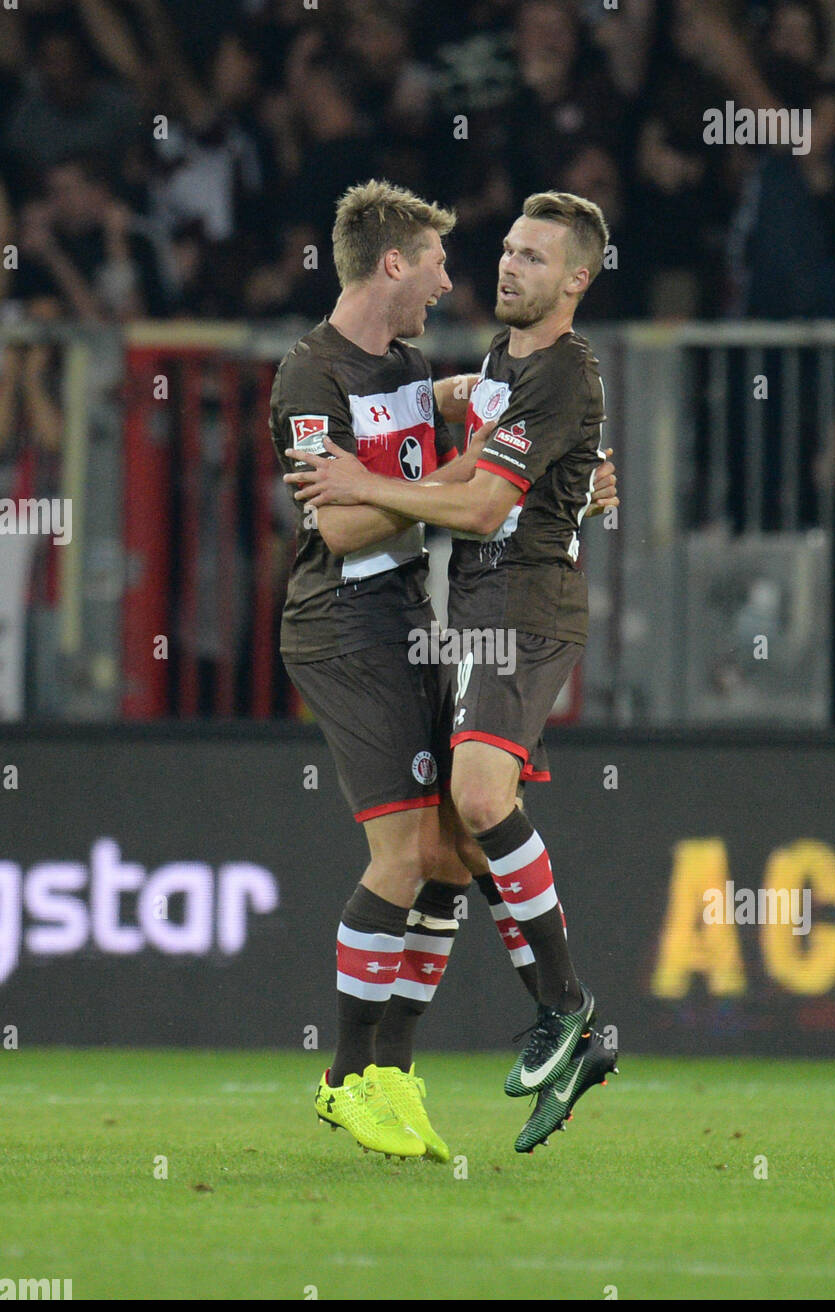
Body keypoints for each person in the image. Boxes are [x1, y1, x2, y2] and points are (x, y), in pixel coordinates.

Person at [286, 191, 618, 1153]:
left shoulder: (495, 371)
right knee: (431, 853)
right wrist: (539, 478)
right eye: (485, 252)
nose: (484, 270)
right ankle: (362, 1073)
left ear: (575, 280)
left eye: (527, 255)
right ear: (393, 264)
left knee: (462, 830)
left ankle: (418, 1059)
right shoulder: (319, 374)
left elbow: (479, 499)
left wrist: (552, 482)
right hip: (355, 627)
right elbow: (346, 523)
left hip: (484, 615)